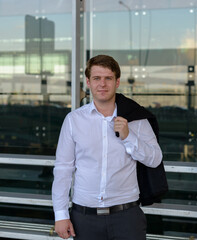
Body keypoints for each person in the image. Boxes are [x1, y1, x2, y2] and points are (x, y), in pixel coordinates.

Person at [52, 55, 163, 240]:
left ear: (117, 82)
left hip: (127, 217)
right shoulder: (73, 120)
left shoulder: (137, 119)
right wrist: (61, 215)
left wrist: (129, 137)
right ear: (88, 82)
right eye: (96, 78)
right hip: (84, 218)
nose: (102, 84)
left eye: (108, 78)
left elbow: (155, 159)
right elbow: (63, 169)